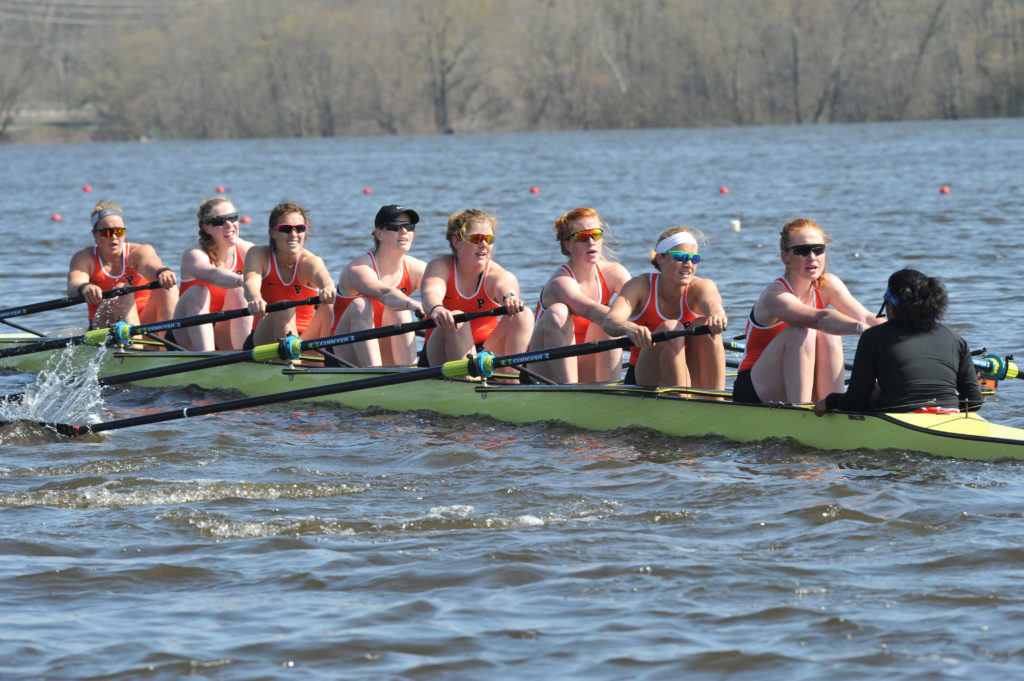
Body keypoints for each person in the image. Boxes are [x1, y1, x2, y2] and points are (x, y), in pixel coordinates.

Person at [733, 217, 882, 405]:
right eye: (802, 251)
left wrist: (906, 332)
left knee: (830, 336)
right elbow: (819, 319)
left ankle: (833, 408)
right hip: (754, 388)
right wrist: (862, 329)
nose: (812, 257)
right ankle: (801, 414)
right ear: (785, 256)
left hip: (795, 379)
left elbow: (868, 316)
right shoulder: (775, 294)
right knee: (802, 330)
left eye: (818, 249)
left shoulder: (829, 284)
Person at [813, 269, 983, 415]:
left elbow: (855, 402)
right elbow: (974, 402)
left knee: (872, 392)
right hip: (950, 416)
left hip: (900, 420)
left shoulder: (873, 337)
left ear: (891, 305)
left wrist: (829, 401)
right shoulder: (956, 340)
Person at [602, 226, 728, 389]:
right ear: (660, 259)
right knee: (671, 328)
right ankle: (682, 404)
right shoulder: (640, 286)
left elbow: (713, 304)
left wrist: (716, 315)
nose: (689, 264)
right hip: (645, 374)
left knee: (705, 327)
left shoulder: (702, 286)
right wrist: (629, 328)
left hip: (688, 371)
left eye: (694, 258)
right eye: (680, 257)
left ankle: (717, 403)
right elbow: (610, 322)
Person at [528, 207, 631, 383]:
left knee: (609, 318)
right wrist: (630, 328)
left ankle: (611, 392)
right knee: (560, 312)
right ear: (567, 245)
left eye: (596, 234)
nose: (591, 242)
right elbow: (589, 309)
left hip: (584, 364)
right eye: (582, 237)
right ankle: (568, 391)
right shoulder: (560, 281)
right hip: (543, 371)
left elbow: (643, 303)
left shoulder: (615, 273)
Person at [420, 208, 533, 369]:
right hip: (440, 351)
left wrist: (509, 297)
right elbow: (430, 292)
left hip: (485, 352)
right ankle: (467, 386)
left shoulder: (496, 274)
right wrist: (436, 308)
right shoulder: (440, 266)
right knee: (458, 318)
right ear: (456, 242)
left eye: (489, 239)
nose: (484, 245)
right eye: (476, 239)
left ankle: (512, 383)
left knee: (523, 314)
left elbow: (505, 287)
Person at [329, 204, 426, 366]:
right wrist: (412, 304)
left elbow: (440, 293)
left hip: (384, 349)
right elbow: (384, 293)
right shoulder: (358, 267)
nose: (403, 232)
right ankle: (373, 373)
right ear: (379, 234)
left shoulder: (416, 268)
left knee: (400, 313)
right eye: (395, 227)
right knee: (362, 305)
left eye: (409, 227)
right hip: (344, 355)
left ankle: (409, 375)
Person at [67, 200, 178, 333]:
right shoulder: (85, 257)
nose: (113, 237)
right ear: (94, 234)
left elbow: (150, 266)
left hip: (146, 321)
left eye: (119, 231)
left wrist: (161, 272)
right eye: (106, 233)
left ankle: (165, 347)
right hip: (104, 326)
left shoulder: (139, 252)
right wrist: (85, 287)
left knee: (168, 288)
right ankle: (135, 349)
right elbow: (74, 284)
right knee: (122, 290)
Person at [243, 201, 336, 347]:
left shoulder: (310, 261)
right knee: (284, 308)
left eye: (299, 229)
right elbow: (251, 281)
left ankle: (328, 361)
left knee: (330, 306)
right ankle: (293, 365)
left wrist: (328, 288)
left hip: (304, 338)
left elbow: (323, 277)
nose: (293, 234)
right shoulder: (258, 254)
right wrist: (255, 298)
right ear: (272, 233)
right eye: (286, 229)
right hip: (265, 337)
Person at [172, 197, 254, 351]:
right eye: (219, 221)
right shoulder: (194, 254)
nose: (228, 224)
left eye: (232, 218)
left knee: (239, 291)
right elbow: (213, 275)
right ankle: (205, 357)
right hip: (189, 333)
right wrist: (243, 281)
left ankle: (244, 357)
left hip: (224, 332)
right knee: (199, 291)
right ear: (206, 228)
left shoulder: (247, 250)